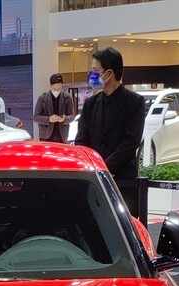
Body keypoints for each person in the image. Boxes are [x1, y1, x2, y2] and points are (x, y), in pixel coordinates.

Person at [74, 47, 144, 213]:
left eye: (95, 71)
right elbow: (81, 140)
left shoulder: (135, 102)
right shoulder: (90, 104)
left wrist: (105, 168)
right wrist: (93, 169)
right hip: (93, 181)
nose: (91, 75)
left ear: (109, 73)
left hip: (123, 180)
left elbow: (131, 142)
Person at [33, 73, 76, 142]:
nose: (58, 86)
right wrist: (49, 119)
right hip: (45, 136)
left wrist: (64, 119)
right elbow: (36, 117)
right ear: (51, 85)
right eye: (56, 84)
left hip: (62, 136)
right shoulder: (42, 98)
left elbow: (72, 116)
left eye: (60, 84)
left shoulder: (67, 97)